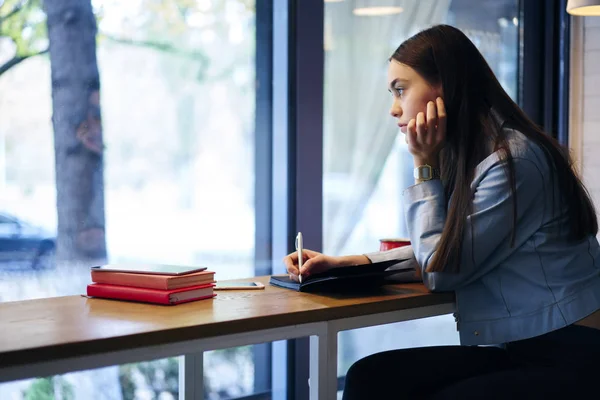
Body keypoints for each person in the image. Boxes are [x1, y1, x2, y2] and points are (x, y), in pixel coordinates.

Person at [283, 24, 600, 399]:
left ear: (444, 89)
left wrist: (423, 166)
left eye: (401, 89)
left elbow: (441, 271)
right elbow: (453, 249)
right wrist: (348, 263)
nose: (394, 108)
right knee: (370, 378)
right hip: (523, 346)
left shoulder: (515, 162)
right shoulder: (479, 155)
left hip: (571, 354)